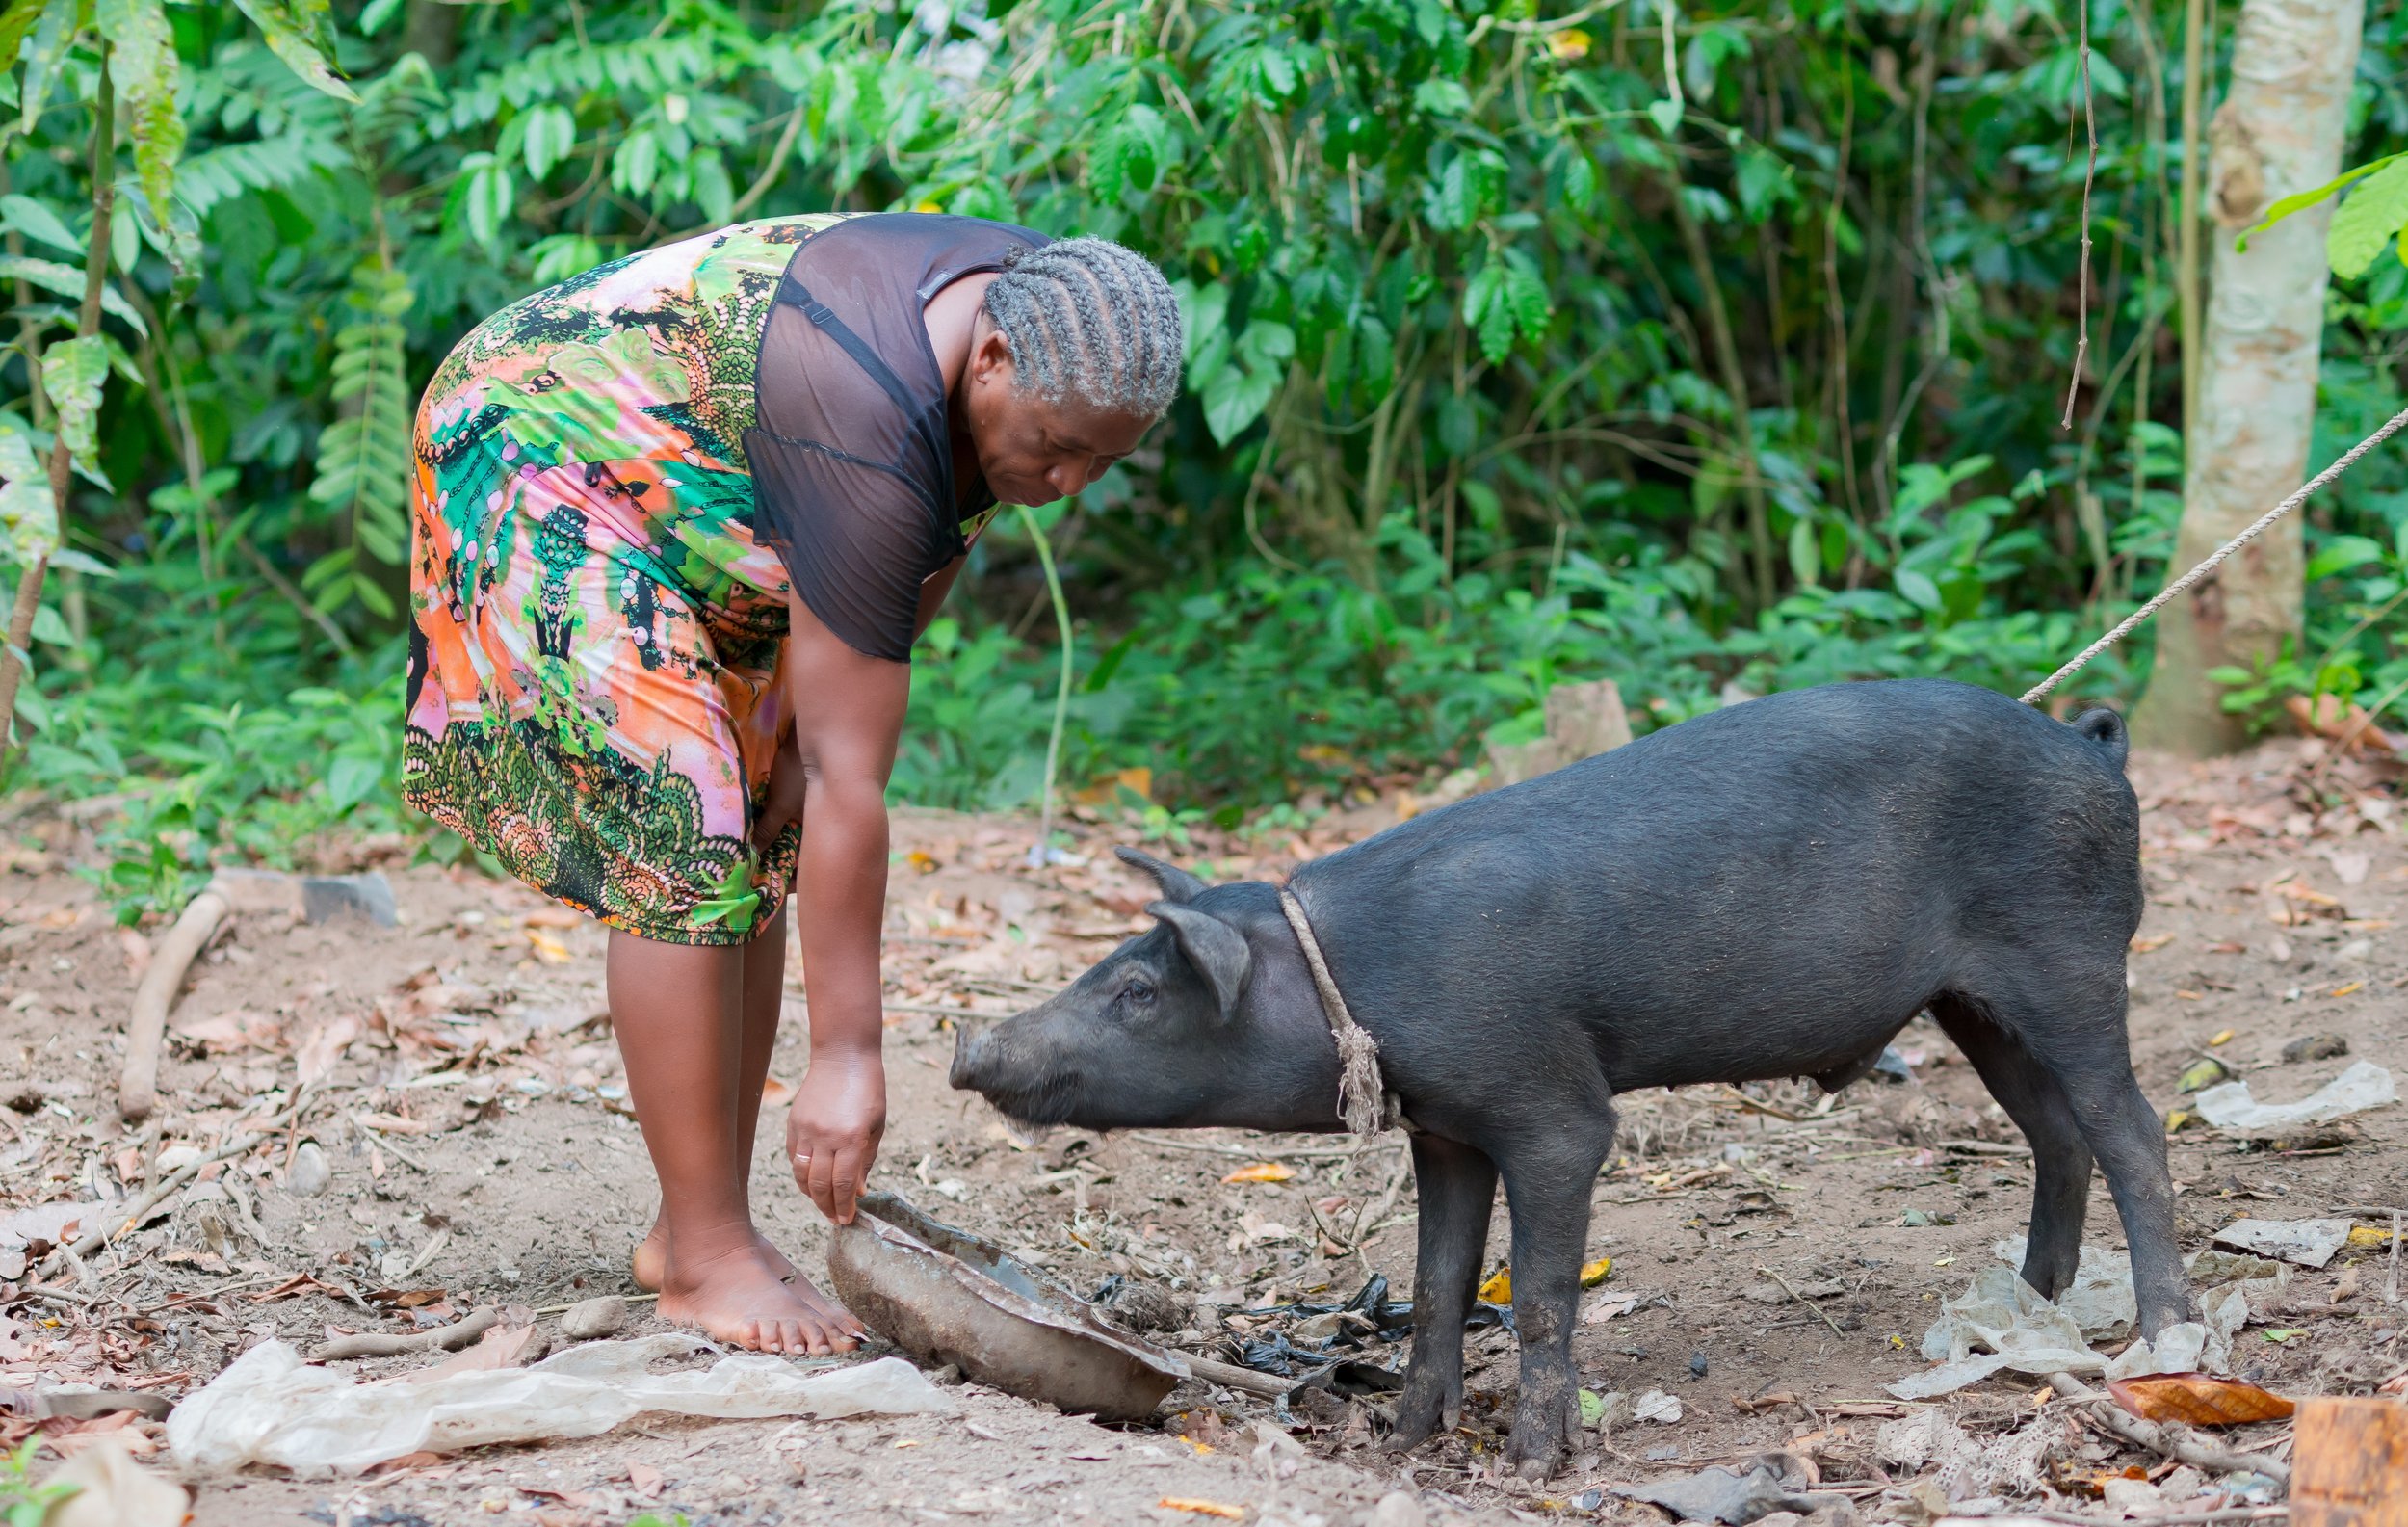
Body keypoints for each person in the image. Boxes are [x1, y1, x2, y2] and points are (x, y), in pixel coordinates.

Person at [401, 213, 1184, 1353]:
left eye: (1106, 462)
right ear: (994, 361)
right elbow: (849, 771)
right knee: (686, 829)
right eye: (1060, 448)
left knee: (760, 829)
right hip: (543, 451)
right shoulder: (868, 394)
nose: (1068, 484)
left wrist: (793, 758)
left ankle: (690, 1228)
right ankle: (708, 1256)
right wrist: (847, 1055)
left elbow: (916, 552)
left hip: (716, 483)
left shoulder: (1064, 316)